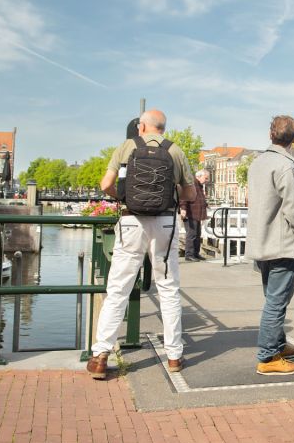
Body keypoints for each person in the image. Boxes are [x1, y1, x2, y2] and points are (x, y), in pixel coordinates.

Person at [89, 110, 195, 379]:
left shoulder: (127, 147)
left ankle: (101, 355)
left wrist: (124, 196)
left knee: (118, 288)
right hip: (165, 222)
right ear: (163, 128)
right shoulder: (175, 151)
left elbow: (105, 185)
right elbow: (191, 193)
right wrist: (171, 194)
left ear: (142, 126)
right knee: (168, 288)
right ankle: (174, 355)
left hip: (131, 220)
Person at [246, 115, 294, 376]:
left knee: (271, 297)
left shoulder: (258, 163)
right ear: (293, 138)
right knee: (277, 301)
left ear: (271, 135)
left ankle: (278, 344)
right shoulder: (286, 166)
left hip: (262, 242)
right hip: (282, 243)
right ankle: (268, 356)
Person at [179, 169, 209, 261]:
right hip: (190, 213)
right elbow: (184, 197)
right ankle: (189, 255)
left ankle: (196, 253)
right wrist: (183, 208)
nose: (207, 180)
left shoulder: (199, 186)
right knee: (191, 235)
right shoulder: (190, 184)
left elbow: (198, 198)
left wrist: (206, 204)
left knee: (197, 234)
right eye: (206, 178)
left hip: (196, 214)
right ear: (199, 176)